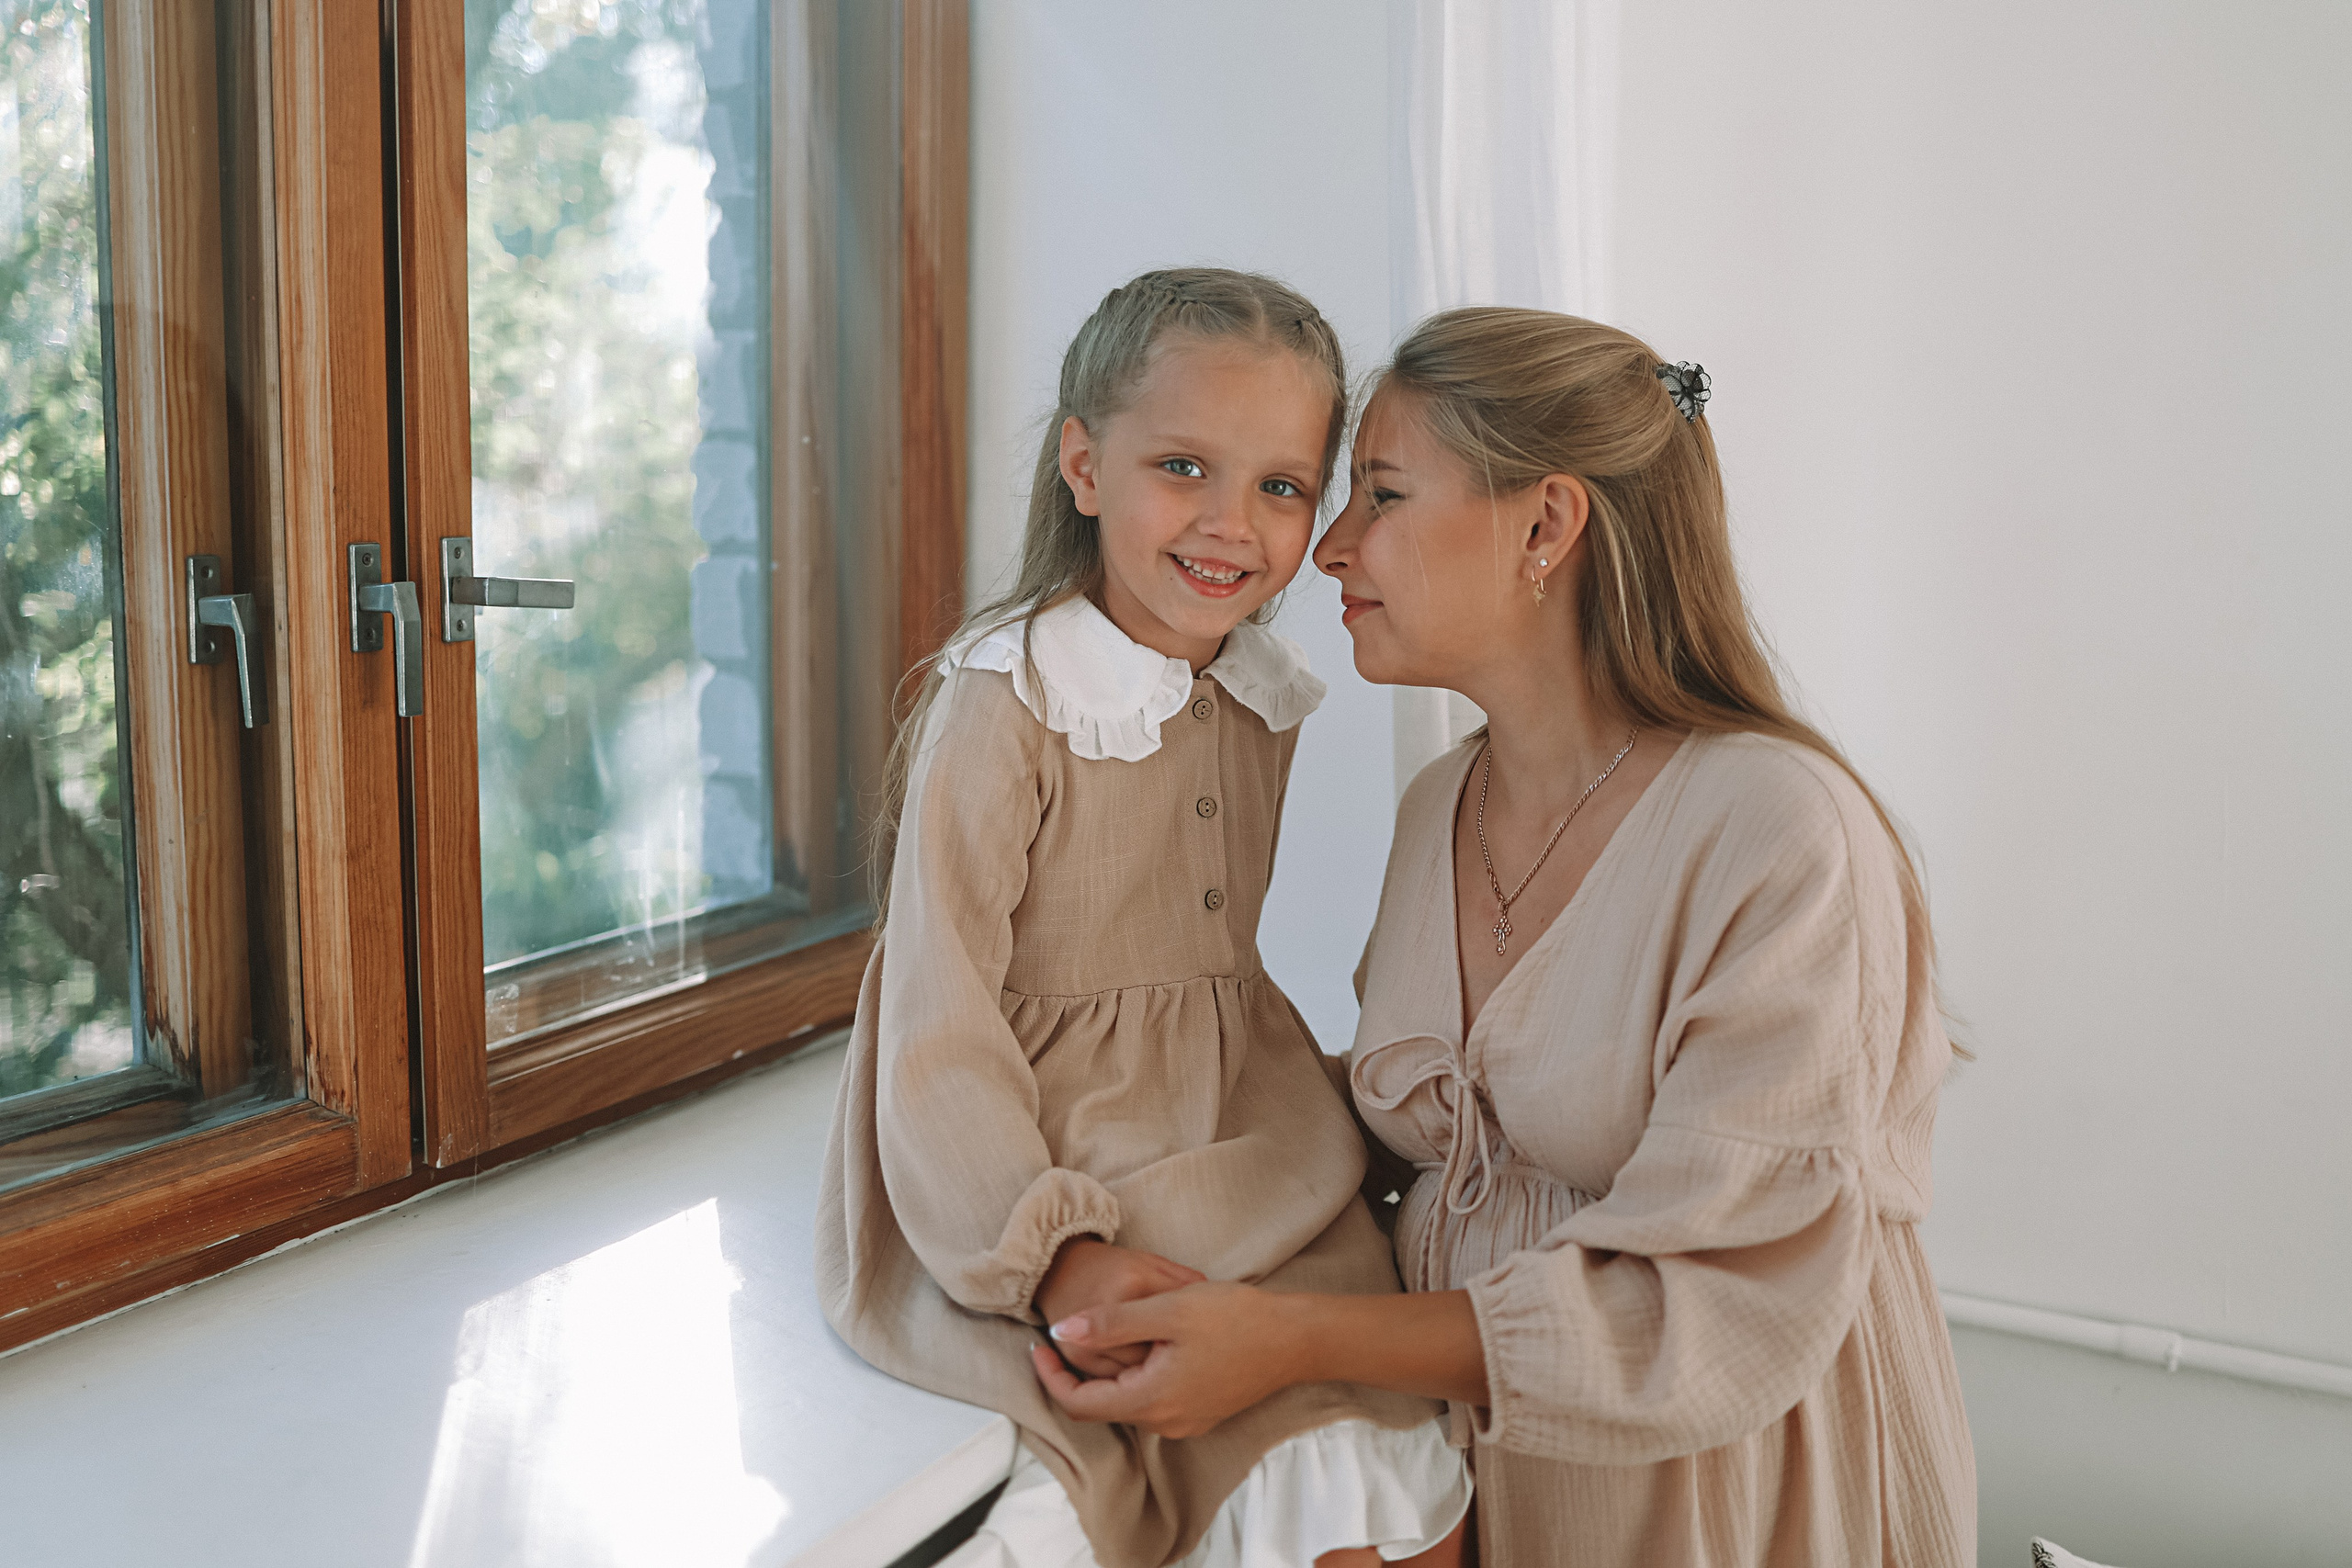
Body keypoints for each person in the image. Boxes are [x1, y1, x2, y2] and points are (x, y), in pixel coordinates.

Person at [1035, 308, 1978, 1567]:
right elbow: (1388, 1137)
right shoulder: (1441, 808)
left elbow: (1708, 1306)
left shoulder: (1780, 834)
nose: (1331, 549)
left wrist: (1292, 1339)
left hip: (1724, 1502)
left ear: (1545, 527)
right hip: (1490, 1486)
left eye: (1378, 494)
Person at [817, 269, 1472, 1568]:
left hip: (1248, 1138)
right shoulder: (1005, 703)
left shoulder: (1258, 695)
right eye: (1184, 465)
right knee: (1215, 1466)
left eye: (1283, 486)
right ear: (1084, 465)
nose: (1233, 525)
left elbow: (1205, 979)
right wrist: (1049, 1258)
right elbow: (936, 1024)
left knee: (1401, 1494)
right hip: (1048, 1165)